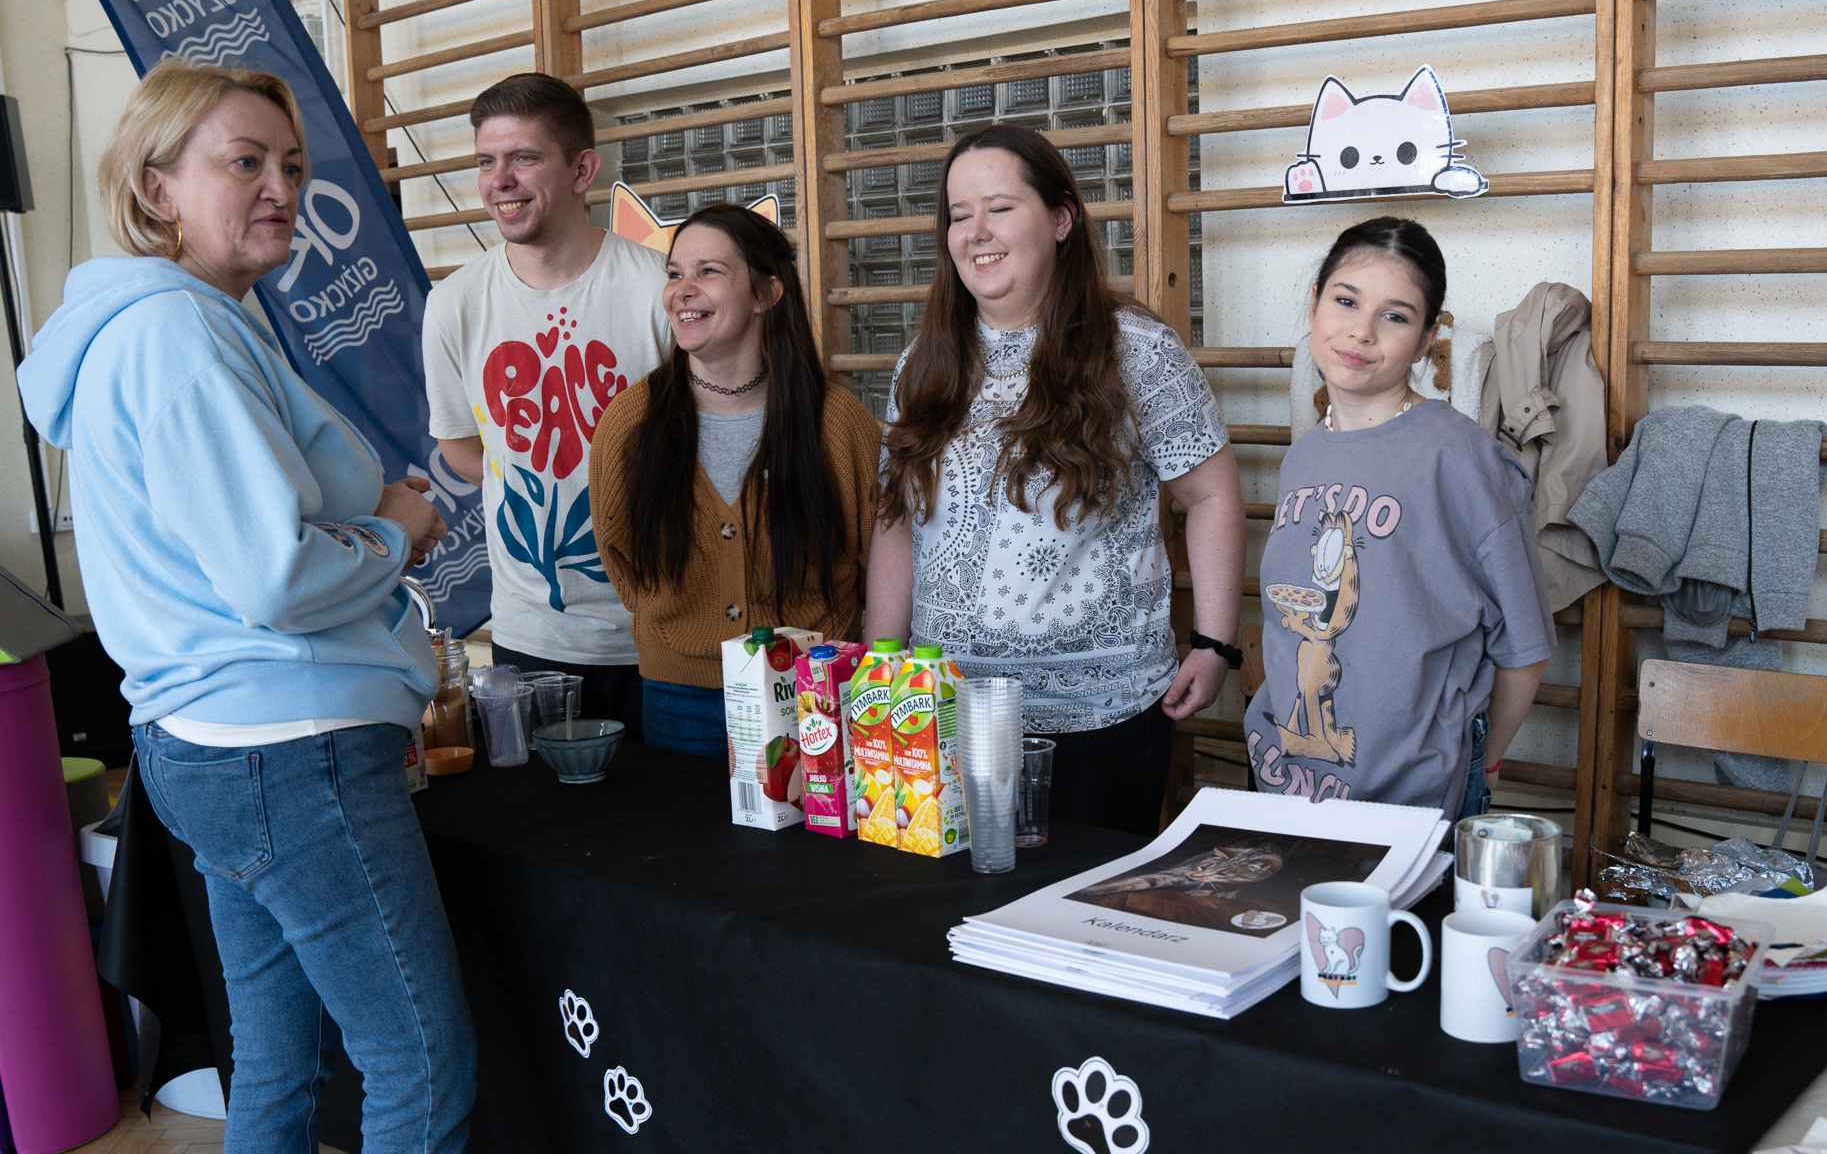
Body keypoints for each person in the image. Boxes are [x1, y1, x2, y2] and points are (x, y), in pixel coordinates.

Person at [18, 59, 618, 1154]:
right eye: (245, 162)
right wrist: (403, 527)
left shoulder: (159, 323)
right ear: (158, 185)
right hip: (284, 747)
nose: (281, 187)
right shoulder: (179, 335)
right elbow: (273, 576)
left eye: (290, 164)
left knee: (277, 1059)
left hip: (209, 745)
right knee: (418, 1055)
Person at [865, 126, 1245, 835]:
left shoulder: (1138, 350)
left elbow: (1211, 493)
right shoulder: (923, 363)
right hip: (941, 712)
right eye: (958, 214)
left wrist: (1216, 642)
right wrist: (879, 672)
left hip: (1102, 721)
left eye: (1000, 208)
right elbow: (896, 522)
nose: (976, 232)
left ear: (1061, 218)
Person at [1245, 217, 1554, 817]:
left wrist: (1483, 761)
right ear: (1314, 304)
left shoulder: (1462, 458)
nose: (1360, 331)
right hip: (1287, 786)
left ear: (1426, 338)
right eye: (1345, 301)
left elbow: (1526, 647)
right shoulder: (1303, 456)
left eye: (1394, 315)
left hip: (1415, 801)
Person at [422, 73, 669, 737]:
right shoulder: (453, 305)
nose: (499, 180)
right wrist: (535, 482)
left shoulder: (657, 290)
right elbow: (460, 445)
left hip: (662, 630)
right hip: (530, 634)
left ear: (582, 169)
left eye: (524, 158)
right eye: (485, 161)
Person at [588, 202, 879, 751]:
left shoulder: (837, 423)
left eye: (709, 272)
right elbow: (620, 560)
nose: (682, 291)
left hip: (814, 695)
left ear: (766, 293)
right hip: (677, 698)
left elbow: (880, 562)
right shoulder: (630, 421)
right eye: (675, 273)